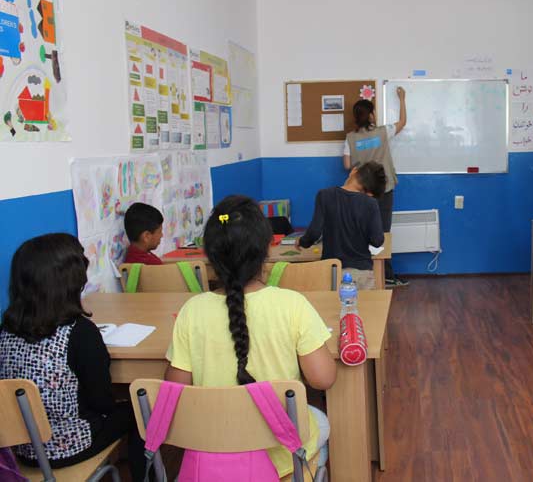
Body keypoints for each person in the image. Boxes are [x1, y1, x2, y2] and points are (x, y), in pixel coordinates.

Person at [164, 196, 336, 478]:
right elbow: (323, 378)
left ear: (210, 254)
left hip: (213, 452)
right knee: (321, 422)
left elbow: (176, 390)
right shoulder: (293, 305)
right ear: (266, 249)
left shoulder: (191, 311)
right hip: (281, 458)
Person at [0, 234, 146, 479]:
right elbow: (102, 403)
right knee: (141, 409)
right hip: (70, 447)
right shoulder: (80, 333)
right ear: (71, 282)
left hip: (23, 448)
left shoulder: (5, 331)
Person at [344, 86, 407, 287]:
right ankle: (387, 276)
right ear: (371, 115)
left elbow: (346, 165)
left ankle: (367, 275)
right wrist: (402, 99)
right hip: (384, 189)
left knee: (364, 231)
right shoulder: (382, 132)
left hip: (362, 191)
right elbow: (403, 122)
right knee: (383, 233)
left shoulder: (350, 138)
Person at [297, 162, 386, 290]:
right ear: (370, 193)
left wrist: (301, 242)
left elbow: (314, 233)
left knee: (331, 309)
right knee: (363, 309)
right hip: (361, 272)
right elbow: (377, 241)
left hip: (332, 271)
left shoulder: (324, 195)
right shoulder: (370, 203)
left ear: (354, 171)